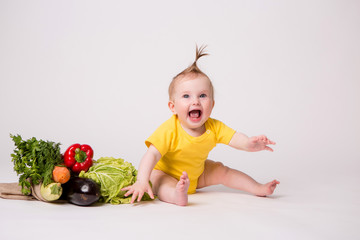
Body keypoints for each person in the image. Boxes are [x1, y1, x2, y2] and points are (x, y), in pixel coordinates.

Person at [122, 45, 279, 206]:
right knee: (160, 183)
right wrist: (141, 181)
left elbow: (235, 138)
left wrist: (249, 144)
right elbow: (152, 155)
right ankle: (176, 195)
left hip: (197, 174)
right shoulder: (169, 129)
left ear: (212, 105)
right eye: (186, 96)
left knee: (223, 171)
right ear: (173, 107)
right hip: (165, 173)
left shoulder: (214, 127)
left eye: (202, 95)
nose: (195, 101)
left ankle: (257, 188)